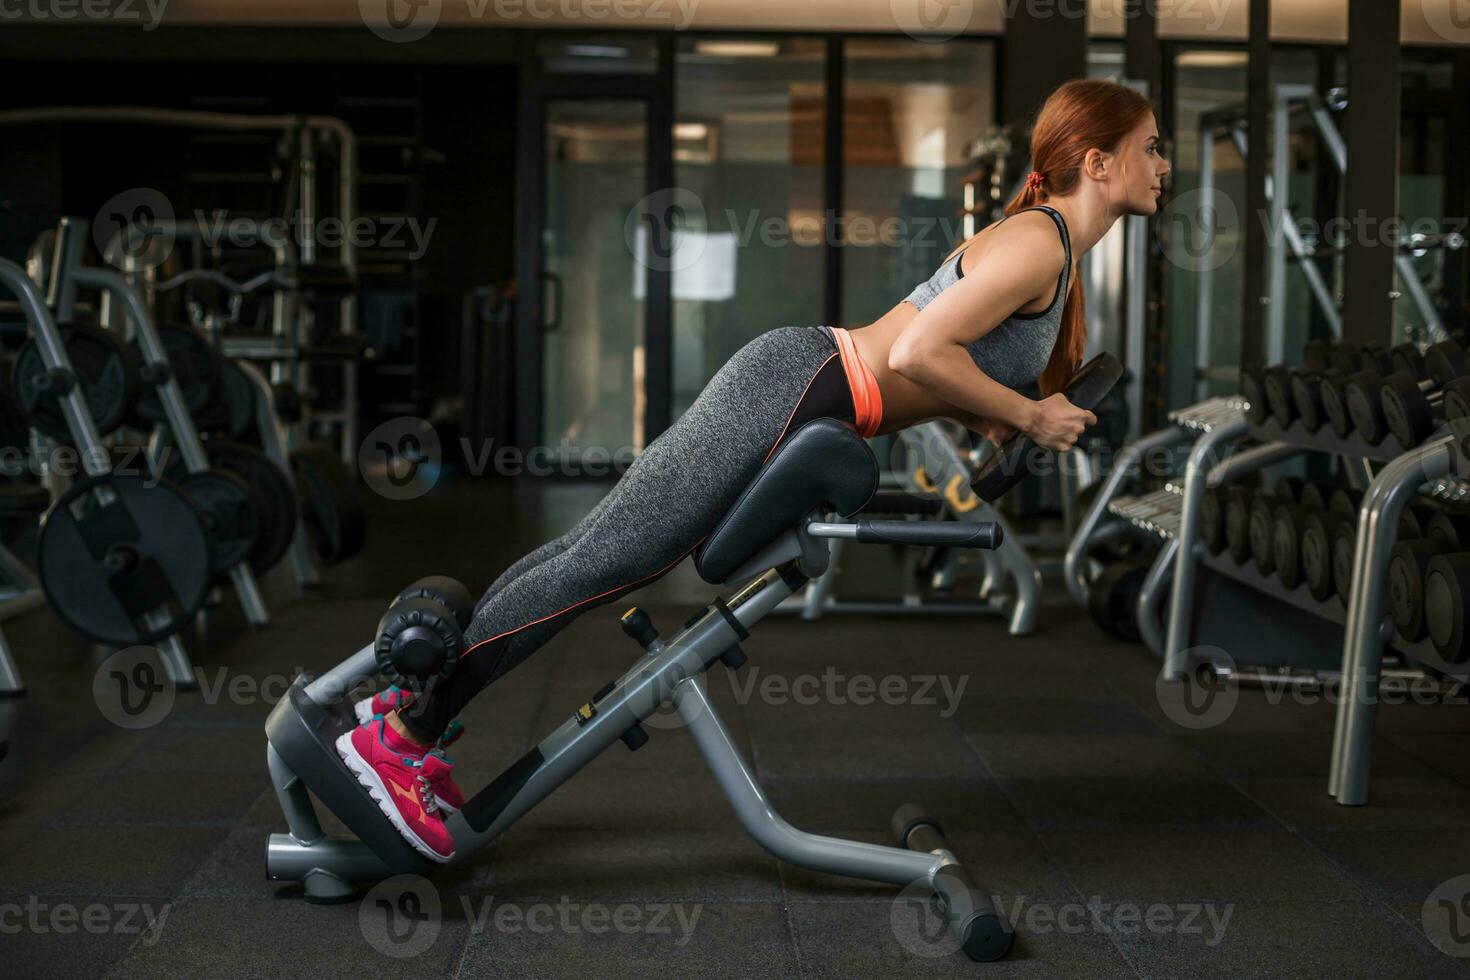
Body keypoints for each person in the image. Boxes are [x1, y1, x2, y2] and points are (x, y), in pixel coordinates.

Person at [336, 78, 1171, 862]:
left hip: (808, 384)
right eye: (1153, 147)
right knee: (613, 559)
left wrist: (990, 414)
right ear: (1098, 162)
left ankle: (402, 710)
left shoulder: (1045, 244)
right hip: (799, 384)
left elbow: (928, 357)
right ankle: (400, 735)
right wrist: (1029, 413)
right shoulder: (1040, 243)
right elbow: (917, 349)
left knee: (593, 550)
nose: (1165, 166)